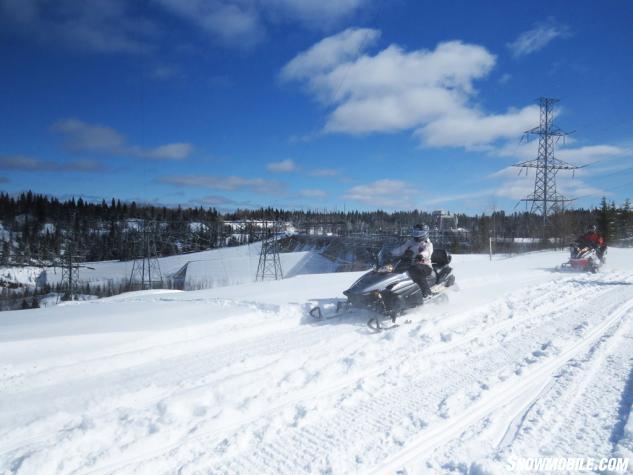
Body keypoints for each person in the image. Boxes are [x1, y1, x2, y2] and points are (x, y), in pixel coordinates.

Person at [391, 224, 434, 297]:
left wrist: (421, 255)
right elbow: (401, 249)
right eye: (415, 232)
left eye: (419, 233)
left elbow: (427, 251)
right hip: (409, 264)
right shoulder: (410, 242)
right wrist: (390, 252)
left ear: (425, 233)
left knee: (415, 270)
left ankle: (427, 293)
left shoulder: (427, 243)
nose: (417, 234)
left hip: (424, 265)